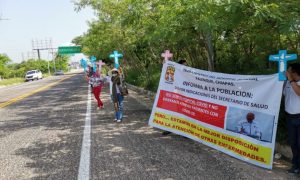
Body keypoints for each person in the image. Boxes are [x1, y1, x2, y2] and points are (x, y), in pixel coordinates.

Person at [162, 59, 188, 136]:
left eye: (186, 65)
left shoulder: (188, 74)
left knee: (184, 114)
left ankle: (184, 132)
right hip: (175, 97)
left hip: (184, 98)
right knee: (173, 113)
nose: (185, 66)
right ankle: (169, 129)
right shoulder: (175, 73)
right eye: (184, 65)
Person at [284, 63, 300, 174]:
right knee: (293, 143)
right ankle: (295, 165)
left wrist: (290, 80)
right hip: (289, 117)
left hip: (299, 117)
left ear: (295, 73)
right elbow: (283, 94)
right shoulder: (288, 83)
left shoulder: (294, 83)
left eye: (289, 71)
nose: (287, 73)